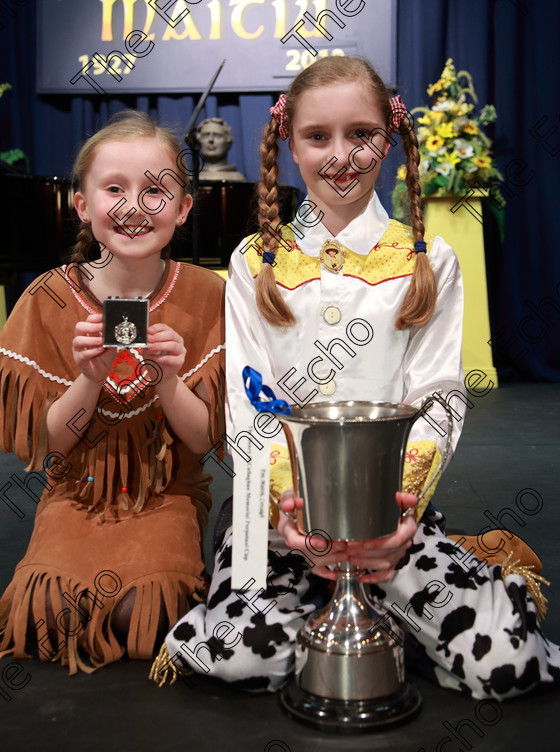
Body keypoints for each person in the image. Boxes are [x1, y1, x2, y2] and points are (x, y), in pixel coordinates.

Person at [157, 57, 559, 698]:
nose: (340, 156)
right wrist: (295, 516)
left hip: (389, 518)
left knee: (506, 665)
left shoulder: (430, 261)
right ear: (289, 142)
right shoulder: (254, 260)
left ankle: (408, 594)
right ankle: (344, 610)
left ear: (391, 138)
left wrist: (391, 518)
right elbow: (248, 401)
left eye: (361, 134)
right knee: (238, 659)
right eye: (319, 137)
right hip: (278, 518)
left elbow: (437, 397)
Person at [0, 111, 225, 674]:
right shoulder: (47, 297)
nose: (133, 208)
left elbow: (202, 438)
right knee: (49, 614)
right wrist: (88, 379)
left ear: (183, 207)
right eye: (114, 189)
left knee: (144, 615)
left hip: (164, 494)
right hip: (77, 494)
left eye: (155, 191)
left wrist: (170, 378)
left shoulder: (206, 294)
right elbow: (50, 445)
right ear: (83, 204)